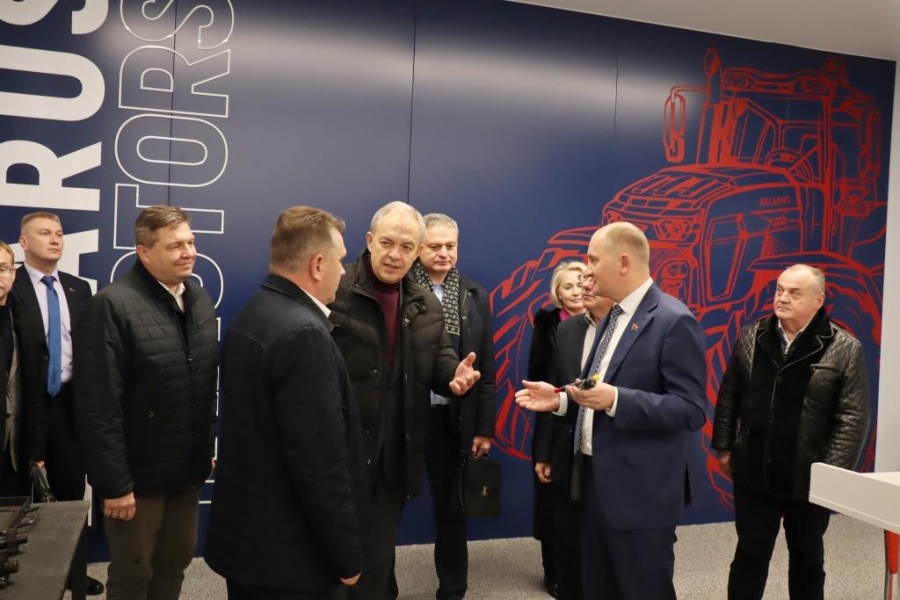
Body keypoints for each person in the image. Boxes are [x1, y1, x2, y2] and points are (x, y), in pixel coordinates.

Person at [515, 221, 707, 600]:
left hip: (640, 496)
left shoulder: (673, 320)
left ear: (623, 263)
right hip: (592, 486)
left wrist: (618, 400)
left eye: (593, 260)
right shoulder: (613, 317)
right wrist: (562, 400)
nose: (586, 271)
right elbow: (596, 391)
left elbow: (690, 409)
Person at [206, 206, 370, 599]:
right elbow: (319, 464)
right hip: (291, 559)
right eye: (340, 260)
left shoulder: (254, 312)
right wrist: (347, 556)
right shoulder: (303, 335)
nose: (344, 271)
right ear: (318, 265)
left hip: (251, 543)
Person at [328, 200, 481, 599]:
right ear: (369, 240)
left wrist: (453, 377)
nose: (395, 255)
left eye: (407, 246)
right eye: (387, 243)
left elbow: (440, 357)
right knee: (330, 559)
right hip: (339, 452)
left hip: (393, 456)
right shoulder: (334, 288)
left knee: (376, 560)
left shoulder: (424, 302)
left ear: (416, 252)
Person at [75, 206, 218, 600]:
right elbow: (98, 406)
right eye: (175, 246)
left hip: (186, 473)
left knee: (174, 567)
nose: (188, 252)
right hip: (137, 482)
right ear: (144, 252)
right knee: (133, 576)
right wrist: (115, 485)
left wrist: (204, 449)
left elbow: (204, 386)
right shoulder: (112, 305)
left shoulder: (199, 299)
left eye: (190, 242)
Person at [711, 264, 870, 600]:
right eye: (780, 290)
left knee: (807, 560)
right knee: (749, 555)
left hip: (810, 478)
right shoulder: (752, 335)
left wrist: (831, 476)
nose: (782, 298)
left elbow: (852, 417)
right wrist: (724, 447)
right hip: (754, 470)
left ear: (818, 300)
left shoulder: (843, 347)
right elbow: (729, 395)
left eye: (794, 293)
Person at [12, 212, 104, 596]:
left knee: (69, 493)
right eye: (45, 233)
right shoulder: (10, 284)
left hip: (68, 404)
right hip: (23, 406)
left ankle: (72, 573)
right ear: (24, 242)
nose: (55, 240)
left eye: (60, 233)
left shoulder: (78, 288)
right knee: (19, 492)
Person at [408, 213, 496, 600]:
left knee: (453, 509)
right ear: (418, 248)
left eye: (451, 246)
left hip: (453, 419)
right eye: (435, 246)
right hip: (406, 417)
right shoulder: (400, 288)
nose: (444, 253)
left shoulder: (475, 295)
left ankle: (453, 589)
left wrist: (483, 428)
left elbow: (486, 367)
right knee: (384, 508)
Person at [533, 274, 613, 600]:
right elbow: (556, 395)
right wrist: (545, 452)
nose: (584, 287)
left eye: (591, 277)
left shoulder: (641, 328)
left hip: (618, 462)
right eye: (575, 283)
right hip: (569, 451)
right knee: (569, 550)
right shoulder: (565, 330)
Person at [528, 260, 587, 598]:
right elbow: (539, 377)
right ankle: (553, 573)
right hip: (554, 419)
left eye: (580, 283)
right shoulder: (548, 325)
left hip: (593, 421)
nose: (576, 291)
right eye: (568, 286)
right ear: (558, 294)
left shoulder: (608, 321)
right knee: (552, 505)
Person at [0, 240, 47, 498]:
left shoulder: (25, 320)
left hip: (15, 454)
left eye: (2, 268)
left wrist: (36, 450)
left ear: (13, 273)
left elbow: (35, 388)